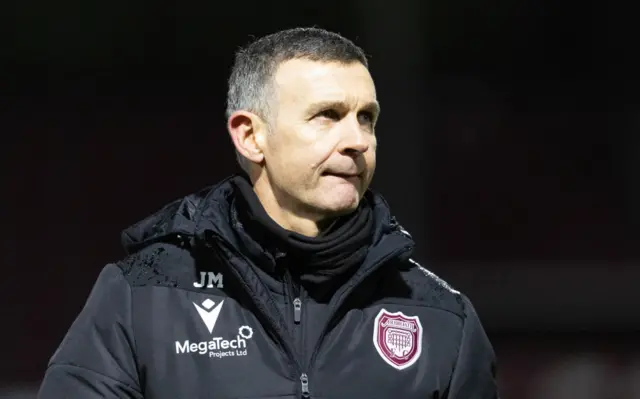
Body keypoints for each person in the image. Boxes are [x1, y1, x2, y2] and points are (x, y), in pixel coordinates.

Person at [38, 27, 499, 398]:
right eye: (327, 115)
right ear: (250, 136)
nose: (358, 140)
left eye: (366, 118)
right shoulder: (142, 296)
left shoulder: (442, 317)